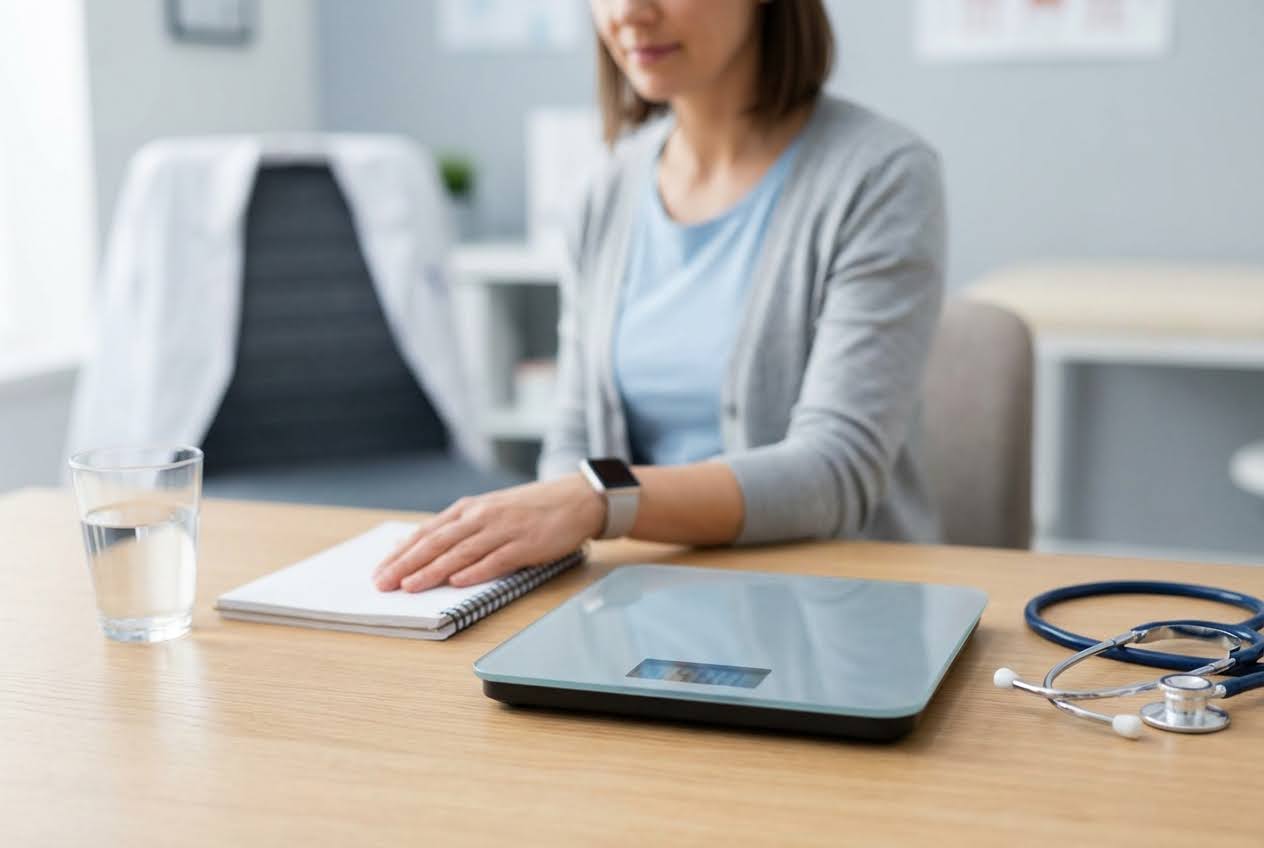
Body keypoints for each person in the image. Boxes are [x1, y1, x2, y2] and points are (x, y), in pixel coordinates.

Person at [374, 0, 945, 593]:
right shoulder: (608, 187)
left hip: (834, 603)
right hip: (645, 597)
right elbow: (572, 439)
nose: (628, 13)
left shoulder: (882, 176)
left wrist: (601, 501)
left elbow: (834, 471)